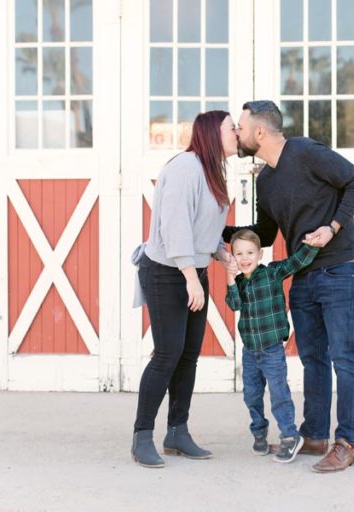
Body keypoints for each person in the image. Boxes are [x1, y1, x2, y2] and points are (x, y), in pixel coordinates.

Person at [224, 100, 354, 473]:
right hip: (303, 276)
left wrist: (332, 227)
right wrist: (213, 232)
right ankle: (316, 434)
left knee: (344, 355)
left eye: (240, 127)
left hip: (341, 267)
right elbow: (266, 234)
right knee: (313, 358)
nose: (237, 134)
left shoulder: (305, 152)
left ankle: (347, 442)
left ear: (260, 132)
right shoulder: (266, 180)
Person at [132, 110, 238, 468]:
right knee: (167, 354)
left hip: (192, 269)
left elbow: (202, 229)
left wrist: (223, 255)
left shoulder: (213, 172)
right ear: (211, 133)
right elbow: (175, 227)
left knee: (189, 354)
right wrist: (192, 278)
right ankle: (141, 436)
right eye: (231, 128)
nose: (237, 132)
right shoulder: (184, 168)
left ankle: (177, 432)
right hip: (166, 271)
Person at [225, 229, 319, 463]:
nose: (244, 258)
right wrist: (229, 279)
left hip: (271, 350)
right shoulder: (238, 283)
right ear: (233, 258)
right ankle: (258, 431)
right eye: (239, 254)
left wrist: (314, 245)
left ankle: (289, 435)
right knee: (251, 395)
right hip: (250, 351)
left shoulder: (272, 273)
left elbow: (296, 262)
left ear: (260, 254)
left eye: (249, 252)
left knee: (279, 394)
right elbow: (234, 304)